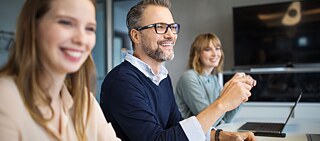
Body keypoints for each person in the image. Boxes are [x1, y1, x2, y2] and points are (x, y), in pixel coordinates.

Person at [100, 0, 257, 141]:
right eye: (160, 27)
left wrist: (220, 136)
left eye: (172, 27)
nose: (170, 35)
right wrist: (221, 104)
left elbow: (176, 127)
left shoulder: (162, 77)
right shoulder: (121, 82)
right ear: (136, 36)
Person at [0, 0, 120, 140]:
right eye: (65, 22)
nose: (81, 39)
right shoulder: (6, 98)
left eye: (89, 28)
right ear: (32, 27)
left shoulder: (84, 102)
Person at [175, 33, 240, 127]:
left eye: (217, 48)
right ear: (197, 54)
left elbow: (227, 118)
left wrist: (241, 93)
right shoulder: (189, 78)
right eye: (208, 49)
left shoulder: (213, 79)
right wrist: (229, 89)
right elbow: (209, 120)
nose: (215, 54)